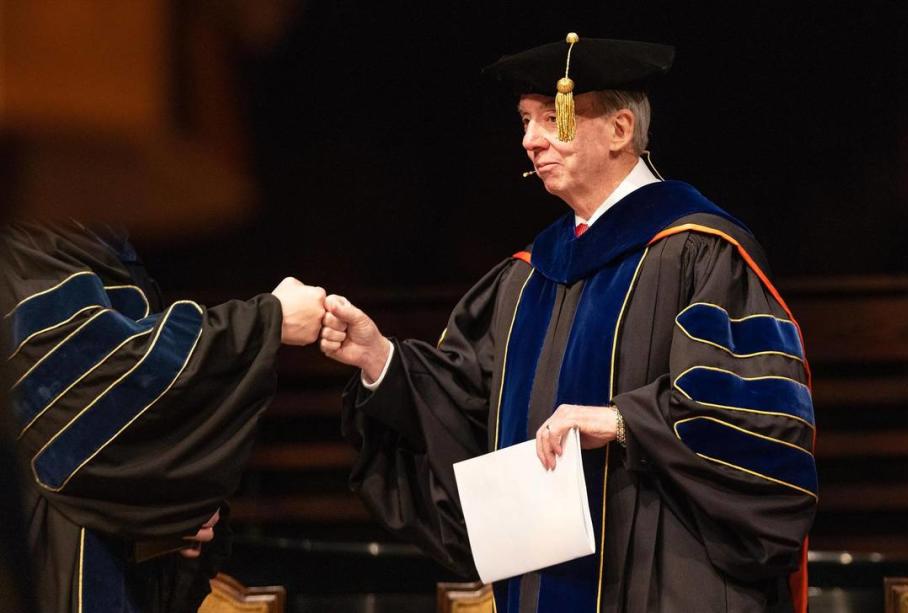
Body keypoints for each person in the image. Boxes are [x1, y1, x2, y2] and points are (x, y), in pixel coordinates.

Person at [320, 34, 817, 613]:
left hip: (668, 583)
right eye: (524, 121)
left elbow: (754, 424)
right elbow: (466, 407)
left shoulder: (702, 254)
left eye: (551, 119)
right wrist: (379, 358)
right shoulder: (528, 277)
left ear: (621, 131)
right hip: (539, 586)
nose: (530, 140)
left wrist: (625, 421)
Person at [0, 220, 327, 612]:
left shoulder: (100, 245)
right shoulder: (24, 241)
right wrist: (265, 321)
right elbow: (89, 400)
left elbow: (137, 425)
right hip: (50, 553)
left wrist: (171, 511)